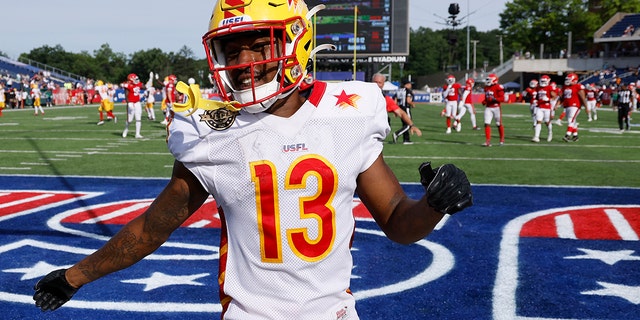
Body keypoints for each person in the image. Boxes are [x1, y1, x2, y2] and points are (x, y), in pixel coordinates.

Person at [32, 1, 473, 319]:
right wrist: (75, 276)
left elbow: (398, 222)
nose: (243, 63)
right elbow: (151, 229)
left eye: (259, 46)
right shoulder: (211, 131)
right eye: (232, 50)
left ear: (295, 42)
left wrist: (433, 206)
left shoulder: (348, 113)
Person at [371, 73, 422, 141]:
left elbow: (401, 113)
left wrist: (412, 125)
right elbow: (407, 101)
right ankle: (400, 135)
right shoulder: (362, 94)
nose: (377, 85)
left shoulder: (386, 99)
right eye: (375, 82)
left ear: (383, 84)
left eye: (379, 82)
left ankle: (404, 138)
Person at [560, 73, 588, 142]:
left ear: (574, 80)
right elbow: (562, 97)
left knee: (571, 119)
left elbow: (583, 98)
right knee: (573, 121)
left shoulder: (578, 86)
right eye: (567, 79)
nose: (567, 81)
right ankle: (575, 136)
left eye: (569, 79)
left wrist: (586, 107)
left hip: (575, 105)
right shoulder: (565, 87)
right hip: (567, 106)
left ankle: (567, 135)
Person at [531, 75, 557, 142]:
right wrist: (535, 100)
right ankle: (536, 137)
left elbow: (554, 96)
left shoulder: (549, 87)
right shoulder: (538, 87)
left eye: (544, 81)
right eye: (542, 81)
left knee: (547, 122)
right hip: (540, 106)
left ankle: (550, 133)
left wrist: (549, 99)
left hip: (547, 107)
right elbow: (537, 96)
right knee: (538, 121)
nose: (542, 82)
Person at [482, 73, 505, 146]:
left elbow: (502, 98)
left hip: (496, 107)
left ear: (494, 80)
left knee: (498, 124)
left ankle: (501, 139)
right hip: (488, 107)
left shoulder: (498, 87)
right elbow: (487, 97)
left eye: (489, 80)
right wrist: (485, 101)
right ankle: (488, 141)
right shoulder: (486, 88)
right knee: (486, 123)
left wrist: (494, 99)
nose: (487, 81)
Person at [120, 73, 145, 138]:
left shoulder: (138, 84)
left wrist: (150, 81)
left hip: (137, 103)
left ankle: (137, 134)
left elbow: (144, 87)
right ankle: (126, 129)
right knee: (130, 120)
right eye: (135, 79)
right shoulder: (128, 86)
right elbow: (126, 95)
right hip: (131, 103)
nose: (136, 80)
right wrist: (128, 103)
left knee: (138, 118)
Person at [393, 78, 416, 144]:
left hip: (400, 109)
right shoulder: (407, 91)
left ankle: (406, 139)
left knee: (404, 124)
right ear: (406, 84)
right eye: (409, 84)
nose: (410, 85)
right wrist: (412, 104)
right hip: (406, 108)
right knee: (409, 124)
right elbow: (408, 100)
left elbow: (395, 100)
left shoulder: (399, 90)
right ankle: (396, 134)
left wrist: (395, 110)